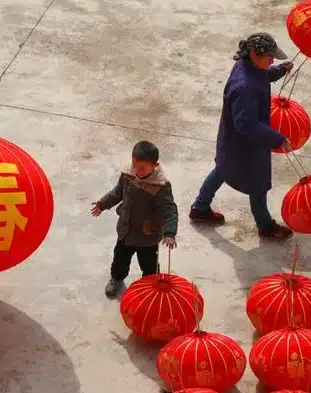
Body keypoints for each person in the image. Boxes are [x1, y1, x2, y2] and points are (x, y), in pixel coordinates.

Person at [189, 32, 296, 241]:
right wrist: (277, 138)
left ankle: (200, 207)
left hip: (232, 141)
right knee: (258, 184)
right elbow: (246, 124)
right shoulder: (244, 87)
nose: (272, 61)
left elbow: (261, 76)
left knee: (222, 168)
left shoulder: (246, 65)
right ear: (255, 54)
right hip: (247, 143)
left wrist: (280, 70)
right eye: (270, 58)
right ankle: (265, 225)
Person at [91, 141, 179, 298]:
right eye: (134, 165)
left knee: (150, 265)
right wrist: (102, 204)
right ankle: (116, 279)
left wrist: (170, 233)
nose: (137, 170)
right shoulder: (127, 175)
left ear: (155, 165)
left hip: (148, 236)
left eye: (142, 168)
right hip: (126, 230)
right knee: (120, 259)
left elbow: (169, 210)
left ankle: (151, 285)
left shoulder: (161, 186)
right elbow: (117, 193)